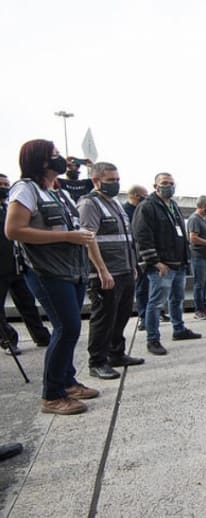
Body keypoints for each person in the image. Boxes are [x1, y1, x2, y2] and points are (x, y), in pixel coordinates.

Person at [6, 139, 99, 415]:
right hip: (46, 271)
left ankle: (67, 382)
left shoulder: (57, 193)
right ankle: (52, 395)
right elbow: (13, 230)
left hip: (72, 270)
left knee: (71, 329)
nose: (61, 160)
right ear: (40, 161)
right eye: (55, 155)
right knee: (66, 327)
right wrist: (66, 236)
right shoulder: (25, 190)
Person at [78, 162, 145, 380]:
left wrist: (133, 266)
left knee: (122, 315)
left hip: (125, 270)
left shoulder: (115, 204)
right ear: (96, 180)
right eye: (110, 181)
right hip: (106, 273)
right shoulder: (90, 204)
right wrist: (102, 271)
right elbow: (88, 239)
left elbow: (127, 239)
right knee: (104, 318)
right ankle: (97, 361)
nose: (116, 184)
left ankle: (116, 353)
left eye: (117, 180)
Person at [132, 172, 201, 355]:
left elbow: (181, 234)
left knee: (177, 299)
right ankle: (152, 339)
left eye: (171, 183)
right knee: (155, 303)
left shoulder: (173, 205)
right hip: (162, 265)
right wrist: (155, 262)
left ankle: (179, 329)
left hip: (178, 263)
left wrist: (186, 260)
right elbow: (142, 236)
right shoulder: (147, 206)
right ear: (155, 186)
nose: (168, 186)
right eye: (164, 183)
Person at [0, 173, 51, 354]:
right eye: (1, 185)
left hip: (18, 266)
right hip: (1, 269)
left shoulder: (12, 207)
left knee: (28, 304)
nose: (5, 187)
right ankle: (8, 340)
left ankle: (41, 336)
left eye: (6, 184)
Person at [122, 185, 168, 331]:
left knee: (155, 287)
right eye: (145, 194)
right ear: (136, 195)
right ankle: (143, 317)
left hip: (151, 253)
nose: (148, 197)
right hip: (136, 255)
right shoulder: (125, 211)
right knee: (142, 287)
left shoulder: (147, 208)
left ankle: (157, 313)